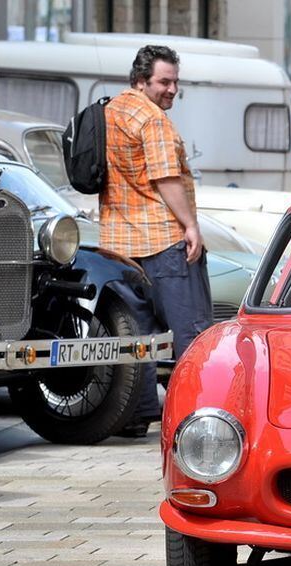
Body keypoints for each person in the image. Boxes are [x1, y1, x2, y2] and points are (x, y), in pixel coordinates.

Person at [101, 44, 212, 437]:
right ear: (141, 80)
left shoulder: (110, 111)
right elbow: (166, 178)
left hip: (118, 243)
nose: (172, 89)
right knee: (193, 333)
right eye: (164, 81)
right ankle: (194, 416)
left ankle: (137, 414)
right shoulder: (154, 120)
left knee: (137, 336)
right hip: (162, 240)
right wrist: (191, 226)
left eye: (175, 81)